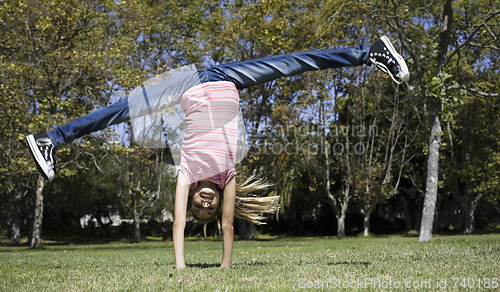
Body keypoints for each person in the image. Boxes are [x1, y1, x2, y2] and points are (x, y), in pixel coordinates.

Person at [26, 35, 409, 269]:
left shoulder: (187, 173)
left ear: (193, 196)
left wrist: (180, 267)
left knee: (122, 110)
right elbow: (227, 226)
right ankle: (370, 53)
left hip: (188, 85)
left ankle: (52, 139)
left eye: (200, 206)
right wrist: (225, 267)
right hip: (227, 79)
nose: (207, 205)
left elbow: (178, 225)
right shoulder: (227, 176)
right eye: (210, 208)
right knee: (295, 65)